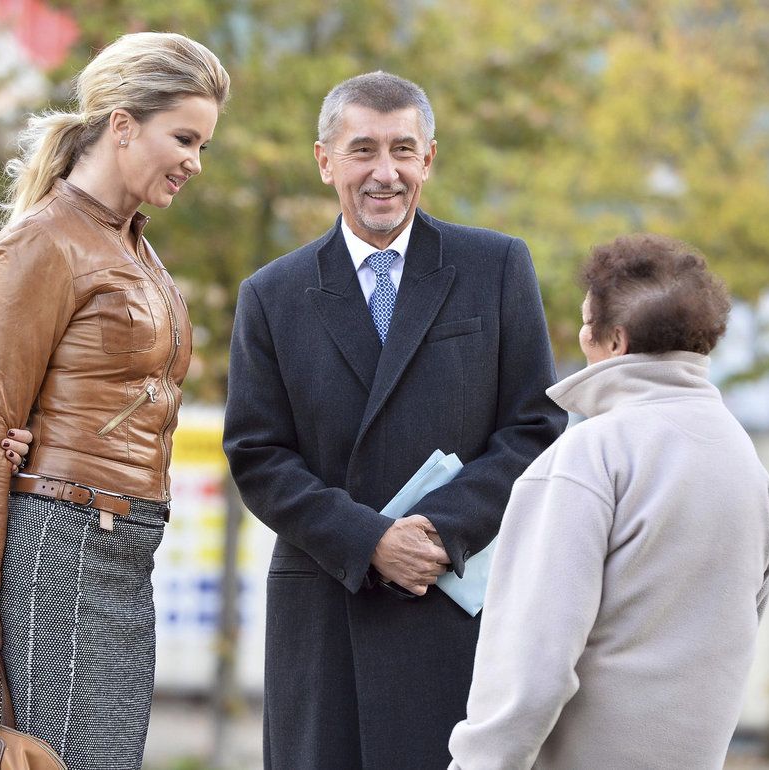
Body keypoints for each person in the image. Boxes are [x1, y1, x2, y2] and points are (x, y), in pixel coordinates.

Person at [222, 71, 567, 770]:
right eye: (363, 150)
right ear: (325, 161)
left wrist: (439, 531)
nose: (386, 173)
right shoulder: (271, 294)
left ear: (429, 158)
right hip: (326, 612)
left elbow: (535, 426)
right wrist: (369, 539)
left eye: (403, 150)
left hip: (453, 603)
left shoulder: (496, 266)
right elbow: (258, 454)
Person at [0, 32, 229, 770]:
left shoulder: (134, 245)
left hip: (123, 550)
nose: (195, 161)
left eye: (203, 143)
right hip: (61, 543)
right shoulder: (44, 241)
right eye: (184, 137)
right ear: (123, 124)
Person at [448, 234, 769, 770]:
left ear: (616, 339)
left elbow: (533, 661)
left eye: (585, 321)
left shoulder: (589, 455)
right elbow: (742, 619)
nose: (580, 335)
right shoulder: (743, 459)